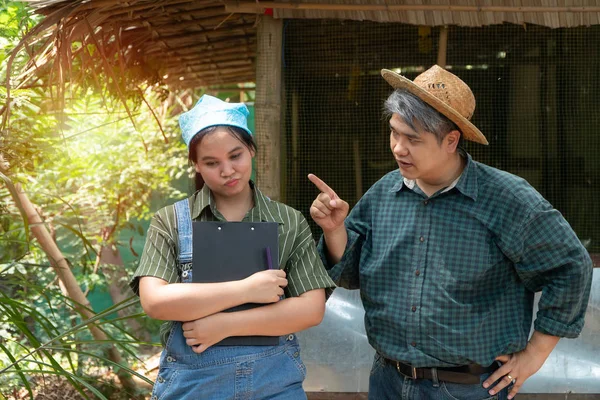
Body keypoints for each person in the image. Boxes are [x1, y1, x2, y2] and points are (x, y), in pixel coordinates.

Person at [308, 65, 592, 400]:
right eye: (394, 133)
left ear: (451, 140)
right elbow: (350, 271)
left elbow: (571, 268)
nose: (398, 148)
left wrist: (534, 355)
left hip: (467, 389)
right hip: (387, 379)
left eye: (413, 139)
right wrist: (334, 230)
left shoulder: (506, 198)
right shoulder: (384, 192)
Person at [131, 94, 335, 400]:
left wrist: (225, 324)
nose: (227, 170)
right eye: (212, 163)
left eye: (235, 155)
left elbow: (311, 309)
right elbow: (155, 301)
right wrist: (247, 290)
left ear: (251, 149)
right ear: (197, 166)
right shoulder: (171, 221)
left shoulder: (289, 221)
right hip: (193, 386)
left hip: (275, 385)